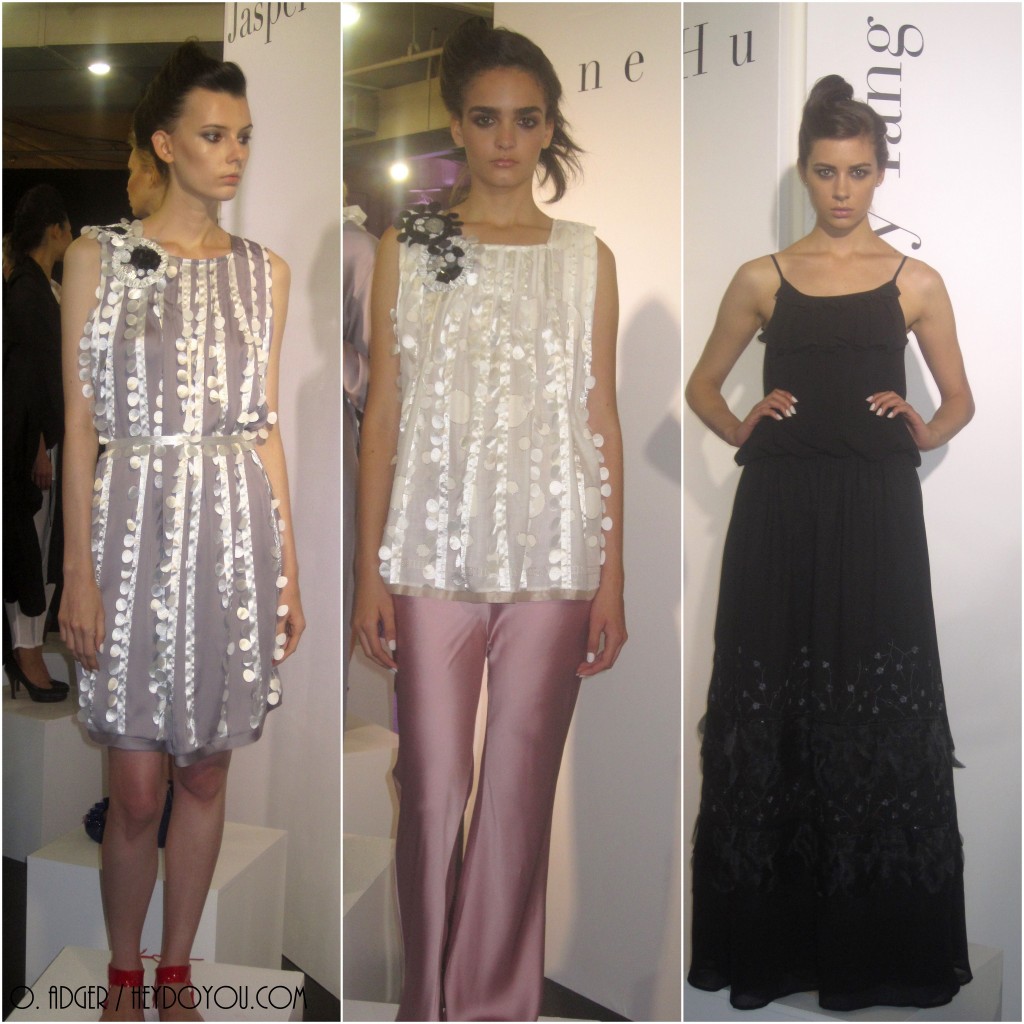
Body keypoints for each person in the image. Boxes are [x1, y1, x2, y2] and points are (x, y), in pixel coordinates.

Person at [353, 17, 626, 1022]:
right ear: (457, 125)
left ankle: (494, 1006)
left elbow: (599, 414)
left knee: (518, 796)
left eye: (525, 119)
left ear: (548, 127)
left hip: (557, 561)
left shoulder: (585, 255)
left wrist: (612, 575)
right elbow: (383, 415)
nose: (505, 140)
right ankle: (427, 1003)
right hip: (428, 557)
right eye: (485, 118)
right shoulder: (410, 245)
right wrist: (368, 571)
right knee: (430, 789)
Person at [685, 75, 974, 1011]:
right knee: (775, 710)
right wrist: (742, 424)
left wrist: (924, 428)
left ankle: (874, 950)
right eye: (824, 172)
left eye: (856, 172)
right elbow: (702, 386)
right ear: (805, 173)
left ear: (880, 172)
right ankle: (773, 948)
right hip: (779, 517)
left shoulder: (916, 282)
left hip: (879, 517)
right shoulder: (761, 277)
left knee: (872, 711)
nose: (841, 190)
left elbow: (961, 399)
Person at [59, 41, 305, 1020]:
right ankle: (123, 969)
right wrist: (79, 574)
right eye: (213, 135)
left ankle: (175, 969)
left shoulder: (266, 272)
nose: (233, 153)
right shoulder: (96, 257)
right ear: (165, 144)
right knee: (135, 788)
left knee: (204, 774)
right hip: (129, 529)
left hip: (232, 535)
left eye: (243, 136)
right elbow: (79, 424)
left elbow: (265, 427)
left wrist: (290, 572)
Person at [3, 184, 73, 702]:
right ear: (55, 229)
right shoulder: (26, 290)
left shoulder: (37, 285)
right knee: (32, 545)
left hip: (46, 438)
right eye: (68, 227)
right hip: (33, 444)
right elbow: (23, 379)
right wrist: (39, 447)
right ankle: (26, 653)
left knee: (43, 547)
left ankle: (28, 650)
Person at [342, 186, 376, 721]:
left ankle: (332, 706)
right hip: (251, 437)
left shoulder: (357, 247)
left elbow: (379, 379)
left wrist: (334, 357)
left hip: (331, 437)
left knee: (335, 576)